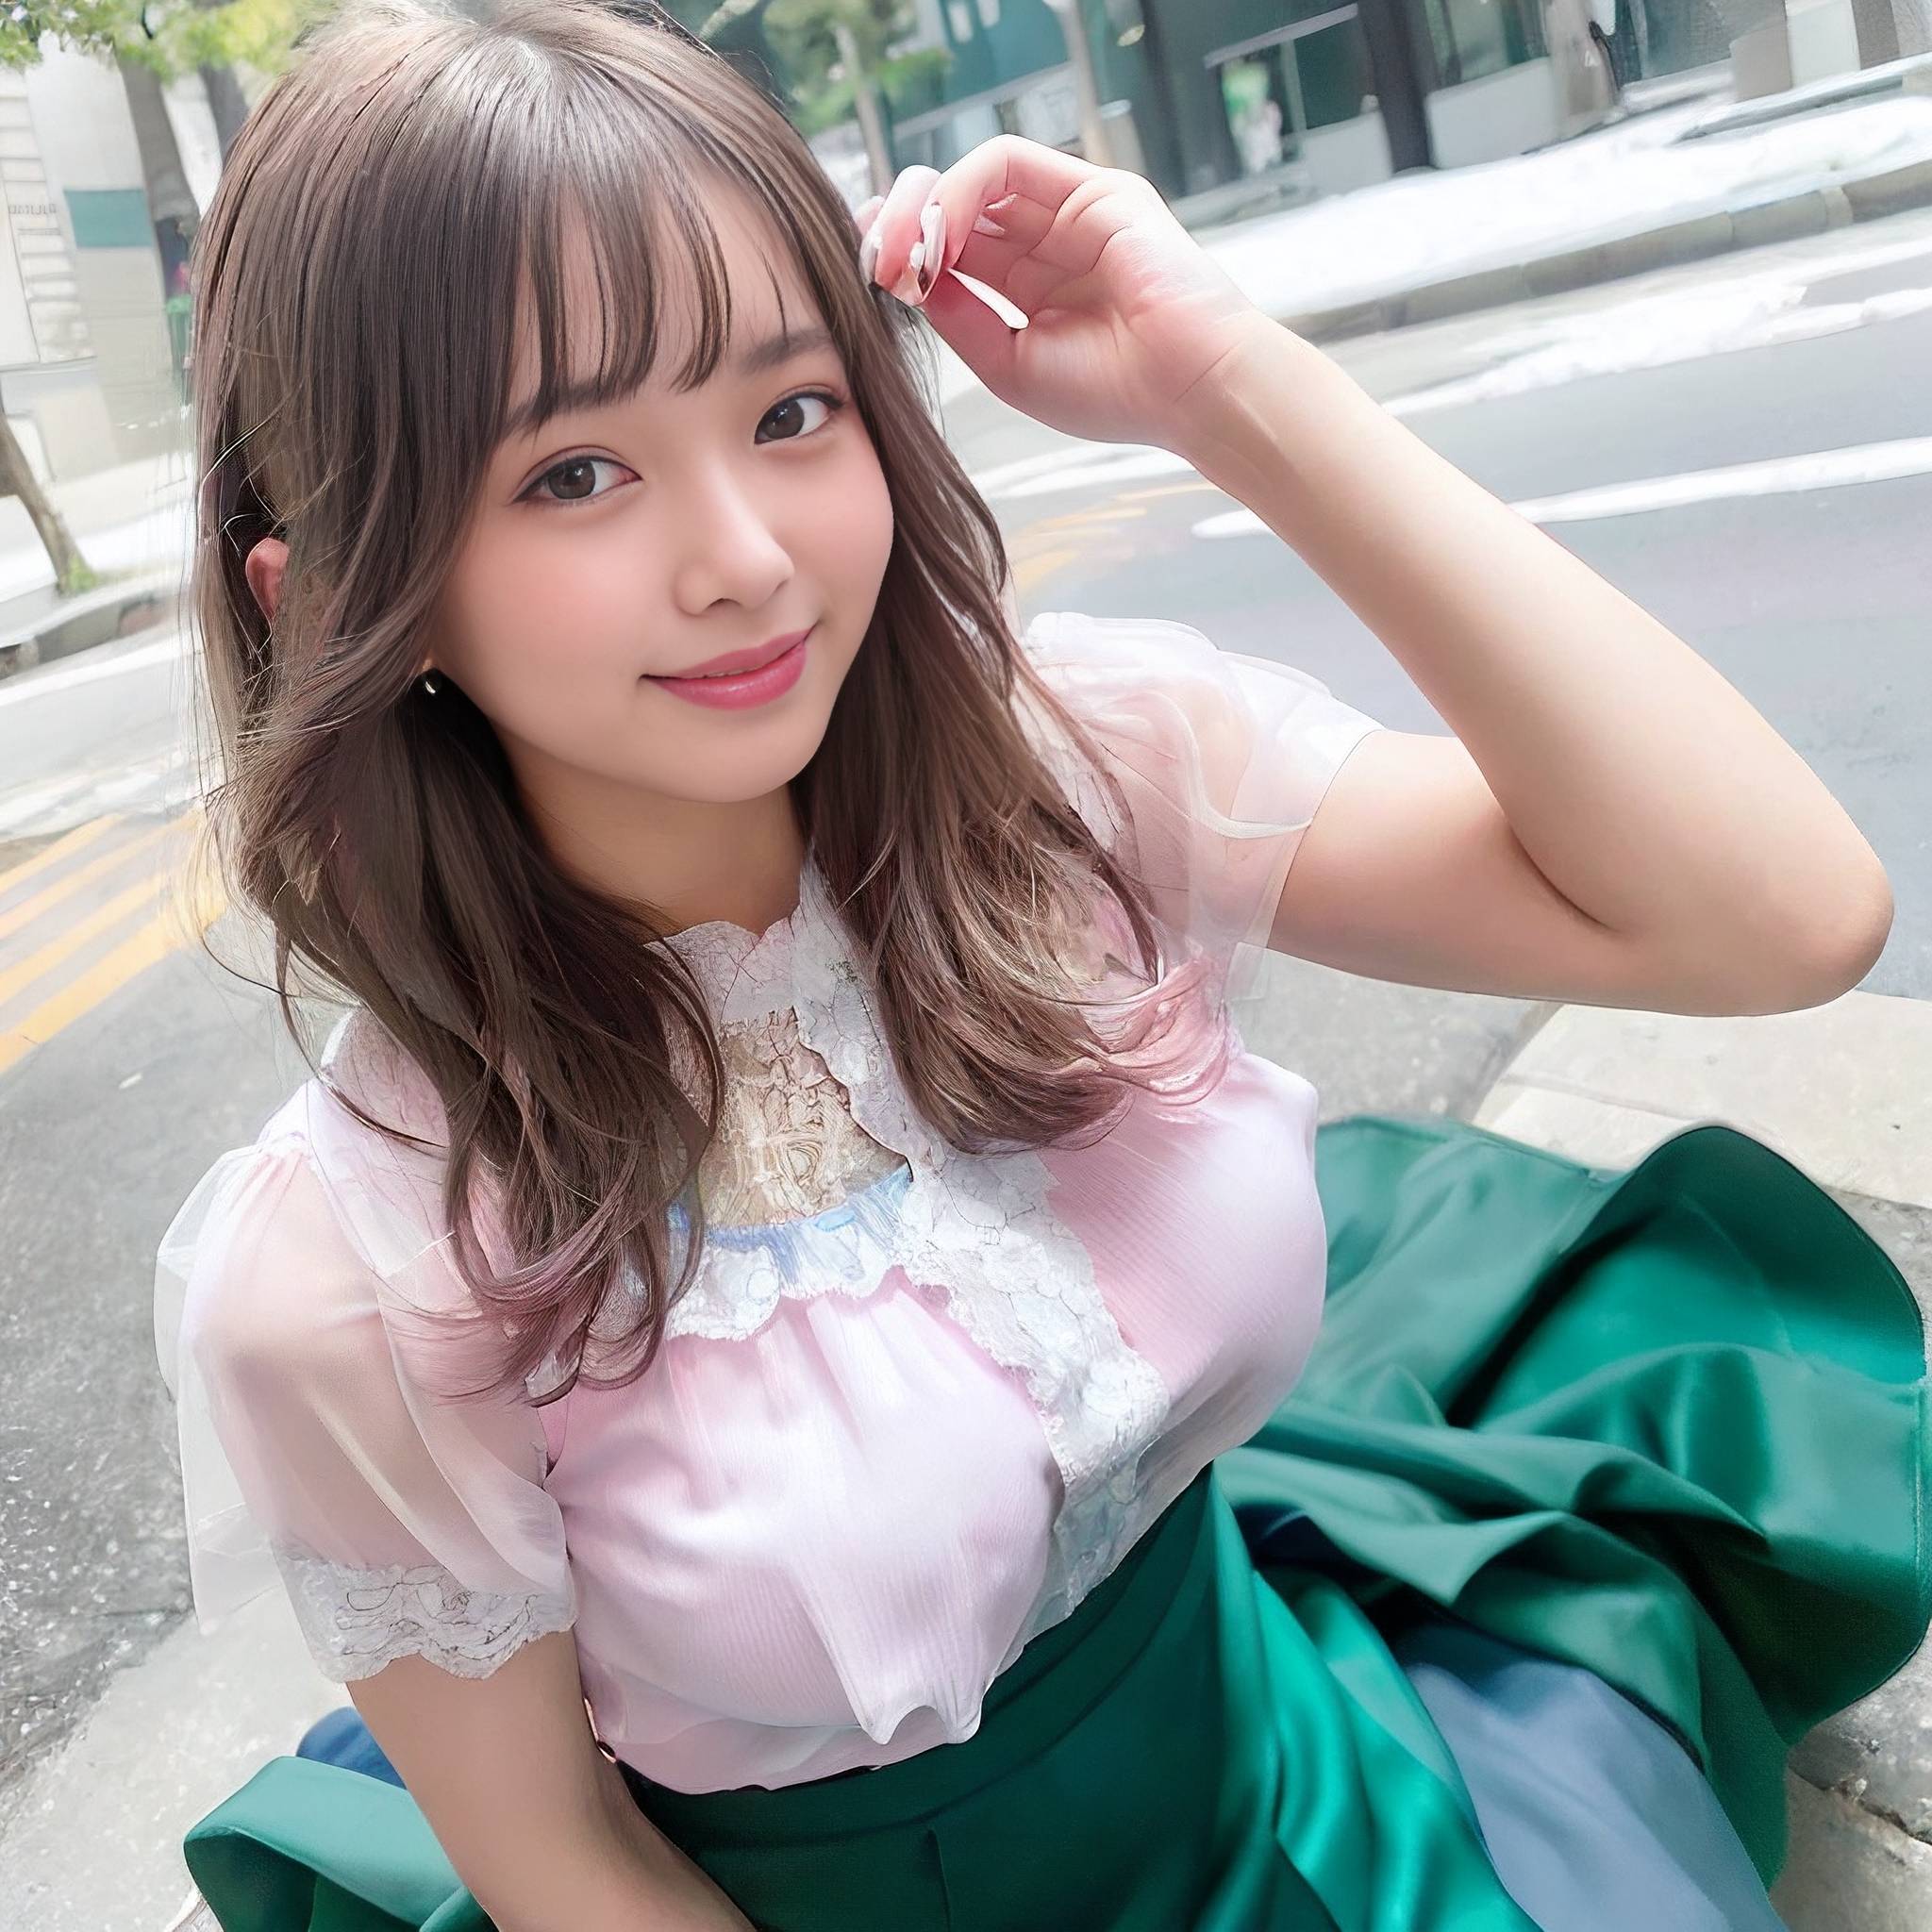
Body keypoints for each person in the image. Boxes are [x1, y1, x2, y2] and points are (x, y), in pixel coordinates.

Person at [153, 2, 1927, 1928]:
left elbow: (1773, 913)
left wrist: (1217, 377)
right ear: (334, 585)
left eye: (788, 408)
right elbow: (564, 1862)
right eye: (574, 474)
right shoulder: (355, 1268)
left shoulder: (1056, 771)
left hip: (1312, 1787)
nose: (744, 555)